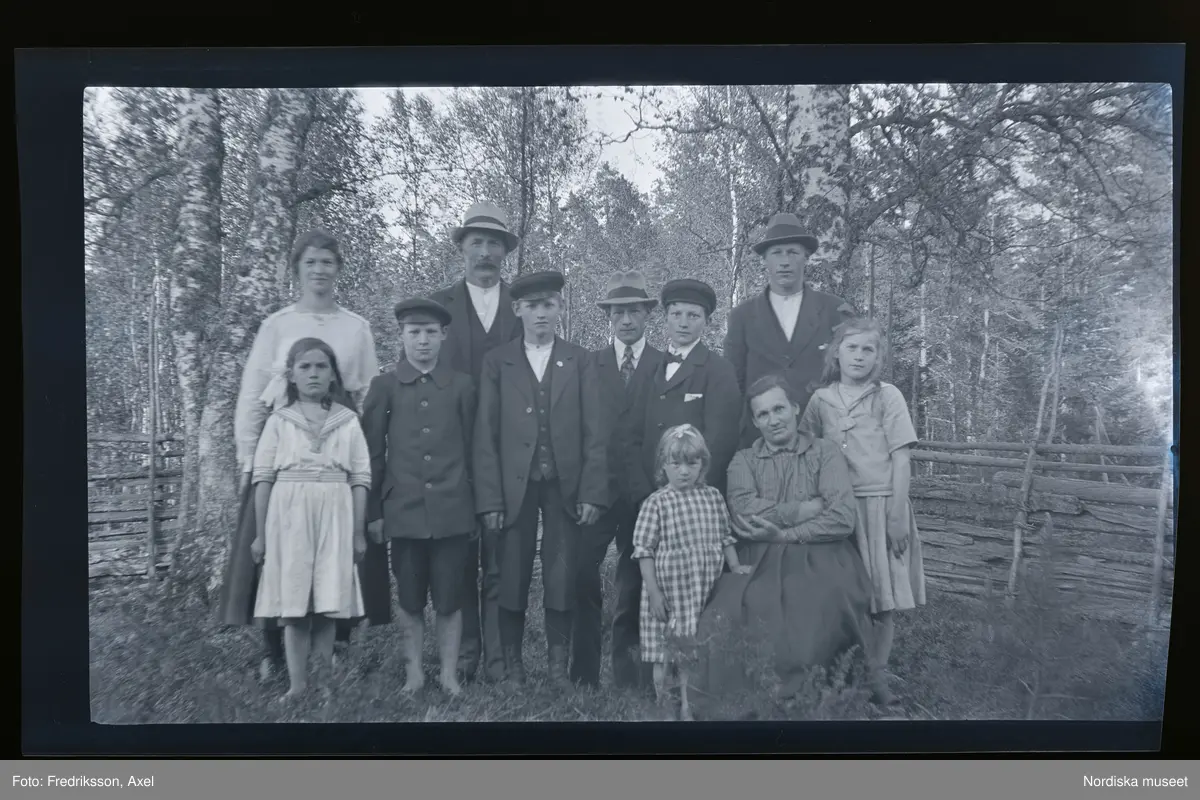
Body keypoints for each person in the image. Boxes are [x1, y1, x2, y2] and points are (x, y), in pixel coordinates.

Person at [218, 228, 390, 683]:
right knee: (278, 549)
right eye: (310, 262)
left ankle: (338, 644)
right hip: (286, 446)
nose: (319, 270)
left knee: (339, 546)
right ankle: (273, 650)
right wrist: (248, 455)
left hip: (338, 441)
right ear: (296, 269)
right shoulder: (277, 325)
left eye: (327, 262)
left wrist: (367, 456)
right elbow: (253, 393)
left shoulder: (355, 327)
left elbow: (368, 395)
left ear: (339, 269)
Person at [689, 374, 895, 718]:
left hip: (824, 553)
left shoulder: (825, 452)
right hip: (758, 556)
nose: (773, 420)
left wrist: (784, 533)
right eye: (763, 414)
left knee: (816, 603)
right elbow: (743, 511)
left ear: (796, 408)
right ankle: (743, 699)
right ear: (755, 422)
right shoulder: (743, 460)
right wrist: (804, 509)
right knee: (729, 607)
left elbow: (842, 517)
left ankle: (812, 692)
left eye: (779, 409)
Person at [473, 270, 608, 687]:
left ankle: (556, 668)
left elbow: (595, 431)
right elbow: (485, 434)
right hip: (514, 487)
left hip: (565, 486)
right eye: (532, 306)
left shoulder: (580, 359)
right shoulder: (498, 362)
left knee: (561, 574)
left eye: (549, 305)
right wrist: (490, 499)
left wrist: (592, 492)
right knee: (511, 573)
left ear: (560, 308)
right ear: (517, 310)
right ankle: (513, 666)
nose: (541, 314)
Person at [361, 297, 477, 697]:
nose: (422, 341)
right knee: (409, 599)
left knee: (450, 598)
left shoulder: (462, 386)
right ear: (402, 336)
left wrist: (475, 507)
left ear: (444, 336)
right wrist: (374, 511)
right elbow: (372, 455)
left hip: (452, 512)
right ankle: (414, 674)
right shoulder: (384, 387)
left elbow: (475, 450)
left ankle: (448, 674)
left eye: (430, 332)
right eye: (414, 332)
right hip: (404, 513)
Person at [429, 201, 524, 684]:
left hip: (508, 452)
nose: (485, 252)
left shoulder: (522, 306)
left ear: (505, 252)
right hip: (452, 453)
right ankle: (465, 654)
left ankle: (500, 658)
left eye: (494, 244)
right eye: (477, 242)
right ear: (462, 248)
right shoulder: (438, 307)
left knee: (501, 556)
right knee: (459, 556)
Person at [800, 316, 925, 679]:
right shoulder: (821, 400)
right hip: (838, 510)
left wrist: (897, 515)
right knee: (844, 592)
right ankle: (841, 669)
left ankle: (877, 672)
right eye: (851, 347)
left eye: (868, 349)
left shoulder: (887, 396)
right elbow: (805, 453)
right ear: (836, 353)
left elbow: (901, 459)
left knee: (882, 595)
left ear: (878, 357)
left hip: (880, 505)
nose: (859, 356)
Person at [249, 338, 371, 702]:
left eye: (321, 367)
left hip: (335, 510)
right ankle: (297, 685)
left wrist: (358, 532)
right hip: (289, 513)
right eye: (305, 367)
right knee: (295, 600)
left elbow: (360, 478)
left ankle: (324, 685)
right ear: (291, 376)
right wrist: (260, 535)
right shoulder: (278, 422)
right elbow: (263, 479)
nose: (313, 374)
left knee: (328, 602)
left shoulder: (347, 422)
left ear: (333, 375)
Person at [572, 271, 664, 692]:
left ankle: (629, 678)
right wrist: (585, 489)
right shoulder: (589, 364)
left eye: (634, 311)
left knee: (635, 581)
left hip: (645, 494)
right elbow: (577, 428)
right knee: (580, 572)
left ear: (647, 315)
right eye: (618, 313)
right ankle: (583, 676)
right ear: (608, 317)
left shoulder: (664, 364)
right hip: (598, 491)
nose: (626, 320)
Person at [633, 424, 747, 720]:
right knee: (664, 654)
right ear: (663, 465)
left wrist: (735, 566)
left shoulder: (712, 497)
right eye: (676, 464)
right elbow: (644, 551)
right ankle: (664, 705)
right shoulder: (656, 502)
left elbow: (725, 537)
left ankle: (688, 707)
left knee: (692, 654)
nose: (684, 471)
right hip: (670, 593)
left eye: (692, 464)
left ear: (702, 465)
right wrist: (654, 592)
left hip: (703, 589)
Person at [723, 212, 855, 449]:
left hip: (821, 442)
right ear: (764, 260)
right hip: (760, 445)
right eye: (777, 253)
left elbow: (851, 378)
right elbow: (733, 387)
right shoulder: (742, 316)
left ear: (806, 258)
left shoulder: (834, 310)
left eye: (793, 252)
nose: (785, 261)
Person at [641, 278, 741, 496]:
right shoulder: (648, 368)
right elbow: (635, 434)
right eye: (676, 314)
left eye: (693, 315)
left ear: (707, 321)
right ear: (665, 318)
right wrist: (643, 489)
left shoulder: (719, 370)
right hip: (649, 493)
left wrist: (688, 489)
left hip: (696, 494)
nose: (683, 323)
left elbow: (721, 441)